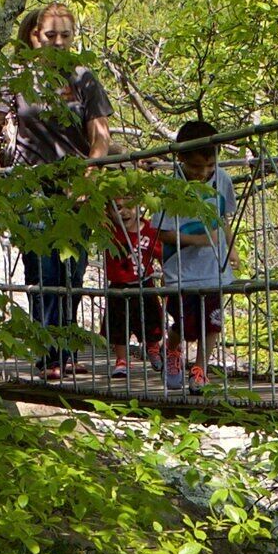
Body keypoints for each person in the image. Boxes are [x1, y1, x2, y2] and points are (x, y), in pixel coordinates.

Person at [0, 2, 107, 376]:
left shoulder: (83, 78)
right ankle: (48, 355)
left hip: (76, 184)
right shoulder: (13, 76)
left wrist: (89, 175)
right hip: (28, 184)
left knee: (73, 269)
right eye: (49, 35)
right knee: (43, 268)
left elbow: (100, 136)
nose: (58, 43)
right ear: (32, 36)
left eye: (65, 36)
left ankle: (66, 351)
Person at [151, 118, 234, 391]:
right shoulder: (169, 189)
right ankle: (172, 352)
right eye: (197, 167)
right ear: (181, 159)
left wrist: (230, 248)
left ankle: (200, 369)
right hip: (181, 269)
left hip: (214, 268)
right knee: (184, 324)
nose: (204, 172)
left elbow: (223, 219)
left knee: (213, 322)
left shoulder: (222, 180)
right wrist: (196, 240)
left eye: (210, 165)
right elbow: (159, 233)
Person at [100, 189, 163, 379]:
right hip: (119, 284)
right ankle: (121, 360)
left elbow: (161, 255)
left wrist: (168, 274)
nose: (125, 212)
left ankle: (153, 348)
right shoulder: (109, 229)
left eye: (129, 206)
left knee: (152, 319)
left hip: (144, 282)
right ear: (109, 212)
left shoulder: (150, 229)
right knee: (118, 324)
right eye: (118, 208)